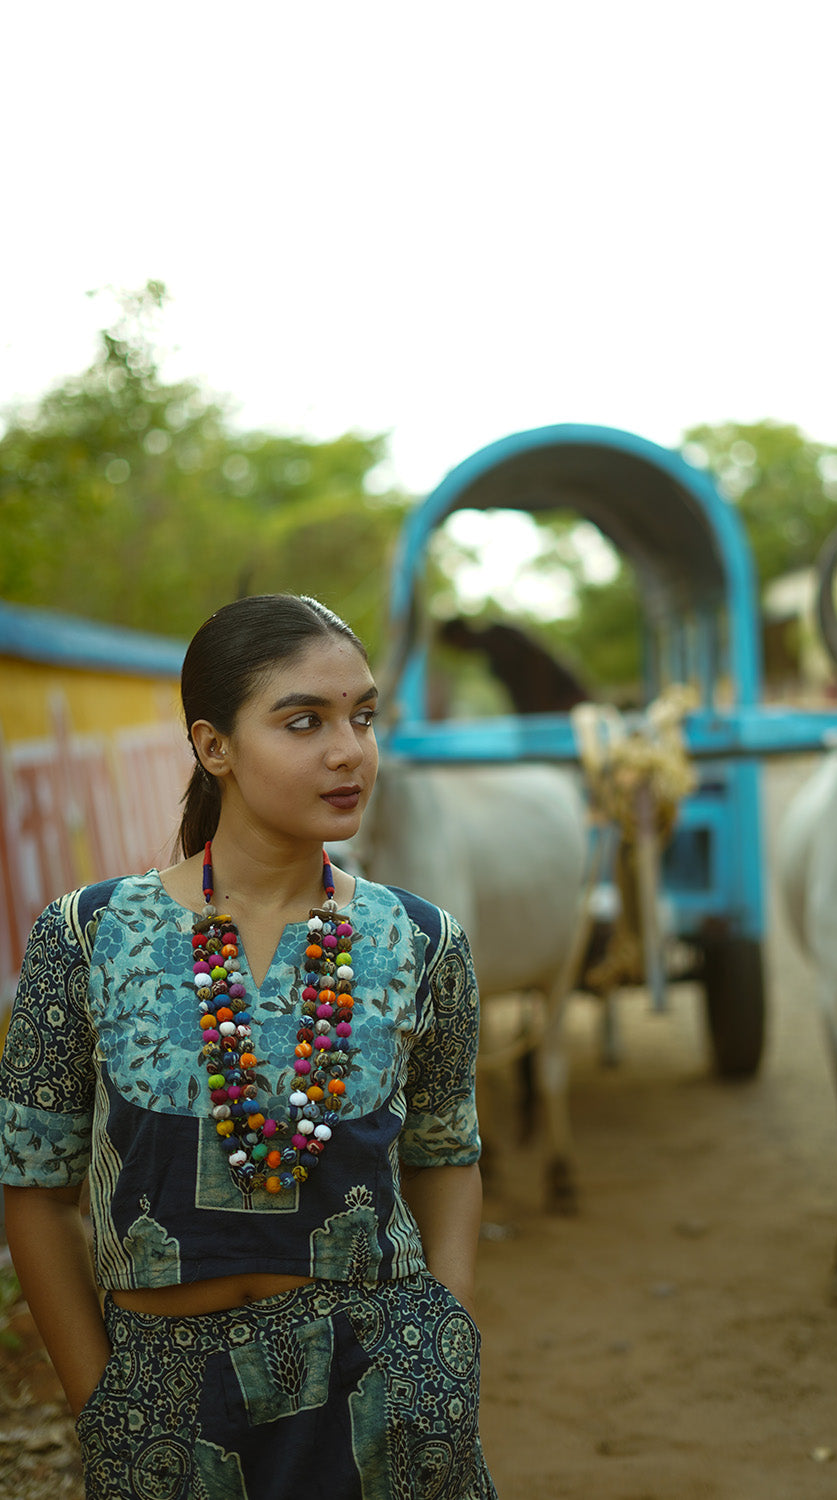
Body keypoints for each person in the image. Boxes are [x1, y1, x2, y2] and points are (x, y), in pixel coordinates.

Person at [0, 593, 497, 1500]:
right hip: (167, 1411)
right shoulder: (88, 934)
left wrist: (445, 1351)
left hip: (389, 1403)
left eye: (363, 717)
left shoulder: (421, 942)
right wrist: (101, 1401)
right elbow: (35, 1186)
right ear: (213, 746)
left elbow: (447, 1154)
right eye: (303, 721)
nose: (348, 750)